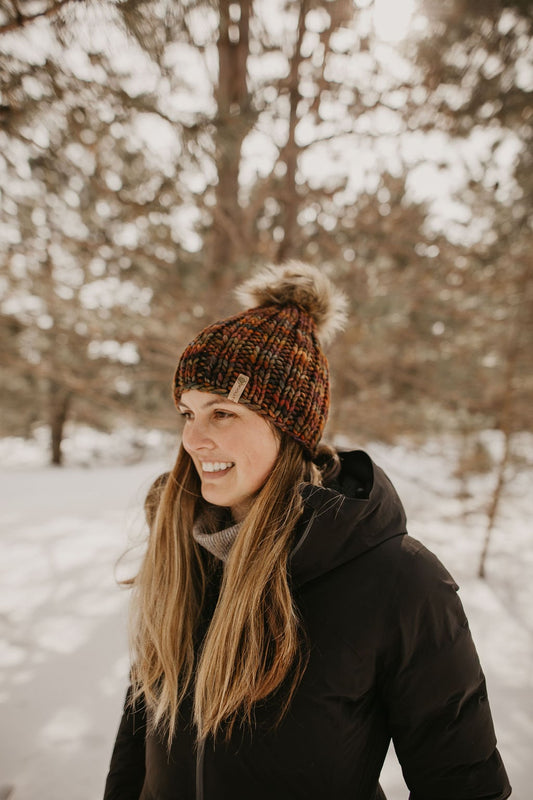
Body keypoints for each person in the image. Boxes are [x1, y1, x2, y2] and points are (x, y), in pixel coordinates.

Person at [103, 262, 511, 800]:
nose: (192, 439)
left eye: (222, 413)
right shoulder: (184, 553)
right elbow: (139, 738)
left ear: (289, 429)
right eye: (188, 412)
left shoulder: (400, 581)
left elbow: (463, 786)